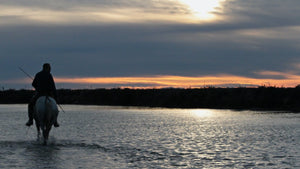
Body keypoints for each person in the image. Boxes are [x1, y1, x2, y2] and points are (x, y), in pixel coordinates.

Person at [26, 63, 59, 127]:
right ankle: (55, 121)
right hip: (49, 94)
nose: (50, 69)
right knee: (55, 106)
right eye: (49, 68)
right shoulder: (49, 75)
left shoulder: (38, 74)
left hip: (39, 94)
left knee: (30, 105)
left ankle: (30, 120)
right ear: (46, 68)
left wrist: (38, 88)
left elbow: (33, 84)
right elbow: (53, 86)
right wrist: (56, 97)